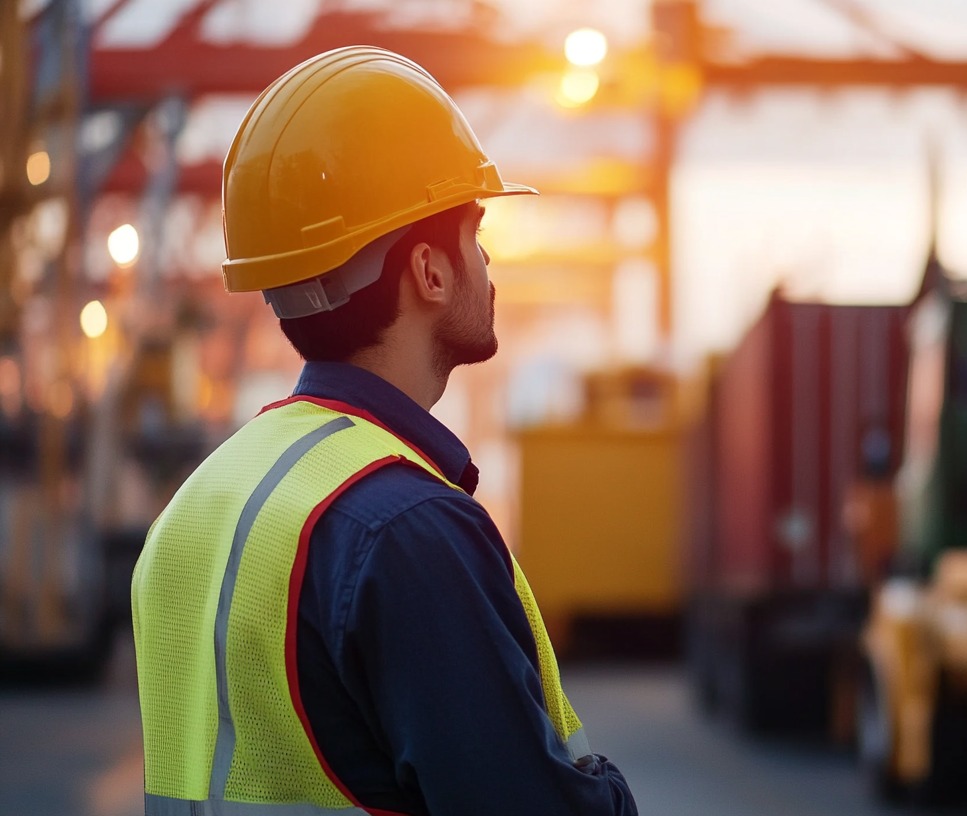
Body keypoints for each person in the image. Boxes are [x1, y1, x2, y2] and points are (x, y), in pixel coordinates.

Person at [131, 46, 637, 816]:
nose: (489, 260)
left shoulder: (197, 507)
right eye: (476, 231)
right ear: (430, 272)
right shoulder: (408, 530)